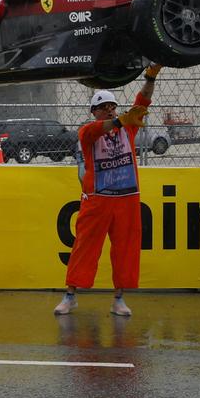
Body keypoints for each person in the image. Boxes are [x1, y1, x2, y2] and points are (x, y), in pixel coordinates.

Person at [54, 64, 160, 317]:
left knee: (125, 248)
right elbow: (97, 129)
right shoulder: (88, 131)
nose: (109, 110)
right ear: (94, 112)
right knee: (84, 246)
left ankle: (119, 299)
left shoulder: (129, 126)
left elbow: (142, 100)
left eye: (112, 106)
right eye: (103, 107)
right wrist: (119, 119)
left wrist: (150, 77)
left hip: (126, 198)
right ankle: (70, 295)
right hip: (98, 198)